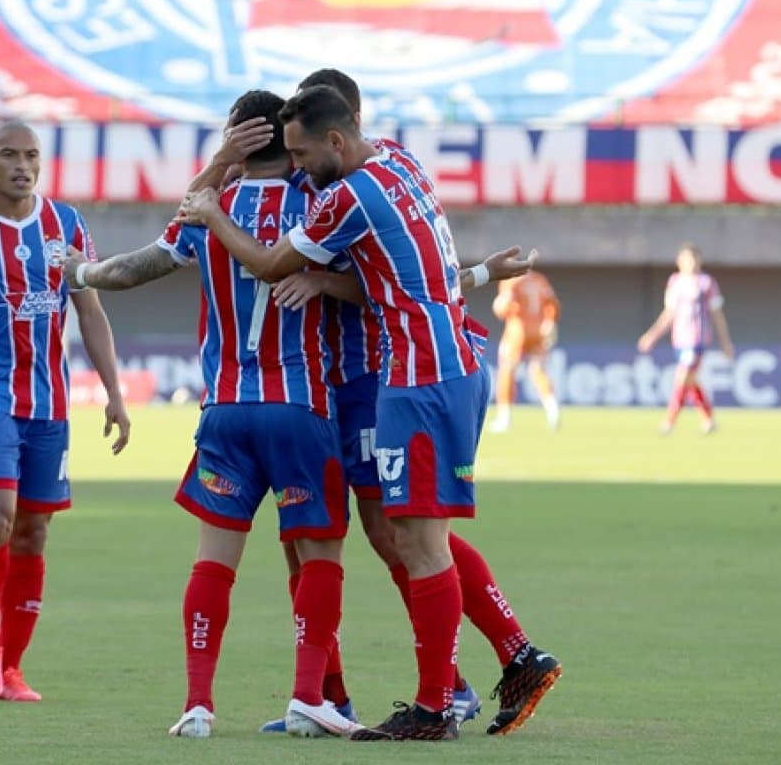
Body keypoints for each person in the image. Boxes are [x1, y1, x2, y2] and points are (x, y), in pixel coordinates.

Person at [179, 85, 561, 741]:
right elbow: (416, 269)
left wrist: (216, 204)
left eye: (303, 152)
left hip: (387, 378)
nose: (297, 166)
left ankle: (451, 692)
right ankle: (371, 693)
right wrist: (473, 275)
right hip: (421, 367)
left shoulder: (339, 198)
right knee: (387, 537)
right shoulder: (397, 161)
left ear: (336, 135)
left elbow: (271, 260)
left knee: (399, 537)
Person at [63, 90, 359, 740]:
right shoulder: (321, 204)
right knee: (320, 554)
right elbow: (372, 279)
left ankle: (197, 704)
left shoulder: (207, 209)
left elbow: (130, 271)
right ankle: (309, 696)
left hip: (225, 408)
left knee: (214, 559)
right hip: (300, 407)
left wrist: (77, 271)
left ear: (238, 139)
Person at [0, 120, 132, 703]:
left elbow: (90, 312)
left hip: (49, 401)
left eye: (32, 155)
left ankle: (11, 667)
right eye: (9, 155)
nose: (22, 165)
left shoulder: (67, 226)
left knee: (34, 532)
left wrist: (113, 391)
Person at [638, 243, 735, 434]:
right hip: (679, 340)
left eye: (694, 258)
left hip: (698, 339)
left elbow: (717, 315)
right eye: (686, 258)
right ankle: (708, 418)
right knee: (690, 381)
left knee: (682, 378)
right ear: (679, 261)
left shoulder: (706, 283)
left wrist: (725, 343)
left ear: (699, 261)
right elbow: (669, 313)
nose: (691, 262)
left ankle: (669, 421)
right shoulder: (675, 282)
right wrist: (652, 335)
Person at [488, 270, 562, 433]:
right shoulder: (539, 279)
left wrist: (499, 308)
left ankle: (504, 419)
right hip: (539, 329)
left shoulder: (512, 280)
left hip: (518, 330)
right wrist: (549, 322)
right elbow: (553, 303)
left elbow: (503, 307)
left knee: (507, 370)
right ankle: (553, 410)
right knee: (538, 371)